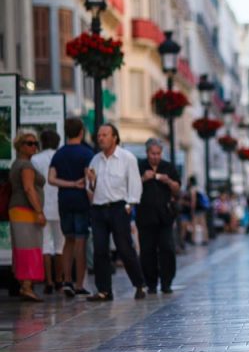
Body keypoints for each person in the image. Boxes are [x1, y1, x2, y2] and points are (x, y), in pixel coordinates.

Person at [85, 123, 148, 302]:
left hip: (118, 208)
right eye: (99, 135)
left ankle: (139, 284)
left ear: (114, 138)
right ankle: (104, 290)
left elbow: (135, 184)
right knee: (99, 250)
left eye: (105, 135)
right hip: (98, 208)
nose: (101, 138)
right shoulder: (95, 160)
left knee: (125, 248)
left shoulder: (127, 158)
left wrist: (130, 205)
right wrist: (90, 182)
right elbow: (90, 189)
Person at [49, 117, 94, 297]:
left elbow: (51, 179)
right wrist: (80, 185)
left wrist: (69, 184)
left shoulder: (59, 153)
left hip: (64, 199)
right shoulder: (86, 153)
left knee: (68, 240)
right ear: (81, 132)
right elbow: (88, 179)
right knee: (81, 241)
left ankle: (67, 280)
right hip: (81, 200)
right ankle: (79, 284)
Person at [136, 137, 180, 294]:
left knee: (167, 248)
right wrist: (143, 179)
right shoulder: (139, 166)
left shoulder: (168, 167)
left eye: (158, 153)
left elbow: (177, 189)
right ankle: (151, 283)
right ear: (147, 153)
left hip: (165, 216)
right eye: (152, 153)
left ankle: (167, 281)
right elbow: (131, 187)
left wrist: (168, 181)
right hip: (145, 216)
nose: (155, 156)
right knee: (147, 250)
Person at [8, 130, 46, 301]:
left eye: (35, 143)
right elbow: (29, 189)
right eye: (29, 143)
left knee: (23, 248)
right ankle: (26, 286)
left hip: (18, 211)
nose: (33, 147)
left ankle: (25, 285)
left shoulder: (17, 163)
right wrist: (39, 211)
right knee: (29, 248)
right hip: (25, 211)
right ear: (20, 146)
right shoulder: (26, 166)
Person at [32, 129, 64, 294]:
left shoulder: (35, 160)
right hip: (60, 205)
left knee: (45, 245)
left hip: (42, 206)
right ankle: (60, 279)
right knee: (60, 245)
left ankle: (49, 281)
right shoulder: (61, 157)